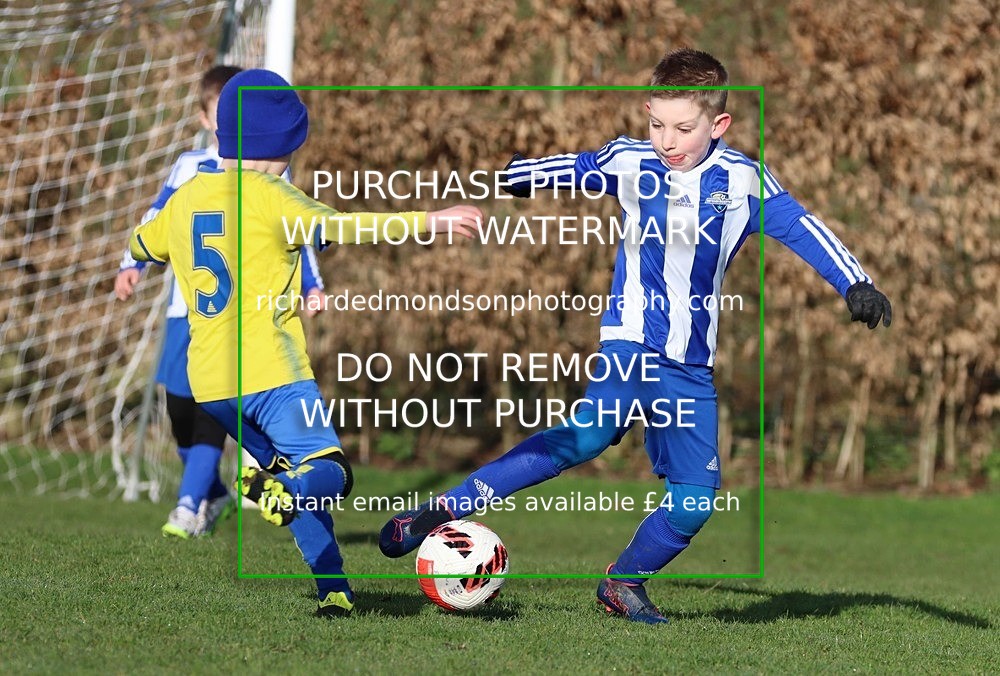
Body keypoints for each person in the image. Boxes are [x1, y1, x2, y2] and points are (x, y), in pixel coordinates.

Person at [378, 48, 892, 624]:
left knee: (696, 501)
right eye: (656, 125)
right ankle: (437, 512)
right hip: (628, 343)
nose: (667, 140)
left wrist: (856, 284)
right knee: (586, 438)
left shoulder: (743, 180)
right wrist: (521, 175)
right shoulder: (632, 159)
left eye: (683, 128)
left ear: (718, 124)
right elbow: (576, 167)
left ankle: (623, 584)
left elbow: (802, 227)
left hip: (690, 365)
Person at [127, 68, 482, 616]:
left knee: (297, 474)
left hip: (213, 385)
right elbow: (351, 227)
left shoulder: (187, 198)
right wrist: (430, 221)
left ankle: (333, 590)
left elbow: (142, 242)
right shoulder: (276, 197)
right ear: (283, 146)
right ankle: (281, 492)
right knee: (331, 475)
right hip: (272, 374)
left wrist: (149, 246)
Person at [115, 65, 327, 539]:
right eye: (219, 113)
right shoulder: (189, 167)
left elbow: (299, 234)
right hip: (185, 312)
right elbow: (158, 220)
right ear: (207, 117)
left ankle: (188, 507)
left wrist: (311, 285)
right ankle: (213, 492)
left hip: (244, 316)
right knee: (181, 414)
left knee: (213, 404)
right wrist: (132, 265)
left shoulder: (272, 171)